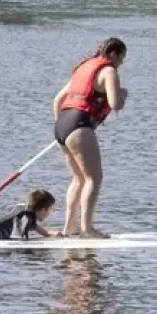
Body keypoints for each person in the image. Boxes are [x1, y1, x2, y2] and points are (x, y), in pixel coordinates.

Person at [51, 38, 127, 238]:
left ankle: (69, 227)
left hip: (62, 125)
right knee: (94, 179)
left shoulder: (84, 68)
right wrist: (122, 94)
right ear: (113, 54)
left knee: (79, 179)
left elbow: (58, 100)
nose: (121, 63)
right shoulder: (109, 71)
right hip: (79, 125)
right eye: (121, 58)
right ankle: (87, 229)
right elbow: (116, 104)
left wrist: (63, 125)